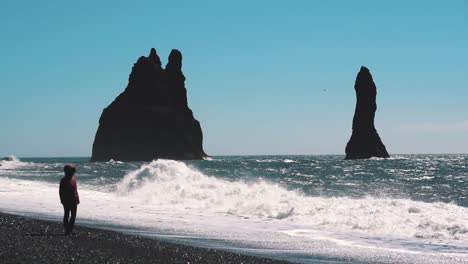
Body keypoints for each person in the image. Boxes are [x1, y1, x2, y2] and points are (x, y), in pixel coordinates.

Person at [59, 164, 80, 235]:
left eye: (73, 172)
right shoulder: (63, 180)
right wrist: (61, 200)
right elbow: (60, 191)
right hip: (66, 200)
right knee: (67, 215)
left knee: (73, 215)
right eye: (71, 171)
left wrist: (78, 198)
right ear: (67, 172)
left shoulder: (74, 179)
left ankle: (70, 229)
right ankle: (66, 228)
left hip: (74, 200)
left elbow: (75, 190)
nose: (73, 173)